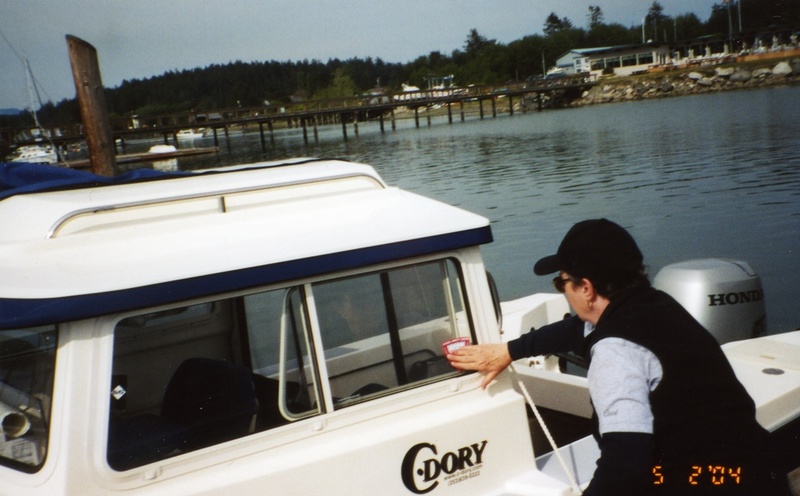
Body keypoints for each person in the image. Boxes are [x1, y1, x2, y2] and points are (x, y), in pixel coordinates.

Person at [447, 218, 790, 495]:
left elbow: (625, 464)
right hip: (760, 471)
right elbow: (573, 330)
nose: (562, 291)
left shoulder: (615, 352)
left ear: (586, 288)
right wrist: (509, 351)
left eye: (560, 282)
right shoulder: (655, 305)